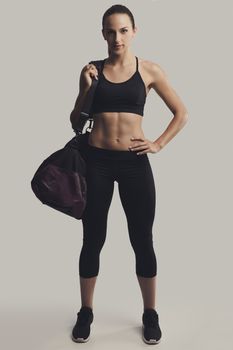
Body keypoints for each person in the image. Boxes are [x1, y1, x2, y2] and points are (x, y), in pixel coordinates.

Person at [70, 4, 188, 345]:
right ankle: (85, 311)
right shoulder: (91, 70)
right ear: (103, 34)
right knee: (92, 239)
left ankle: (150, 313)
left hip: (134, 163)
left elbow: (181, 112)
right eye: (110, 30)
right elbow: (76, 122)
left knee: (142, 240)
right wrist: (85, 89)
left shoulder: (149, 70)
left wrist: (159, 144)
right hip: (97, 162)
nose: (117, 37)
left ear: (133, 32)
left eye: (123, 30)